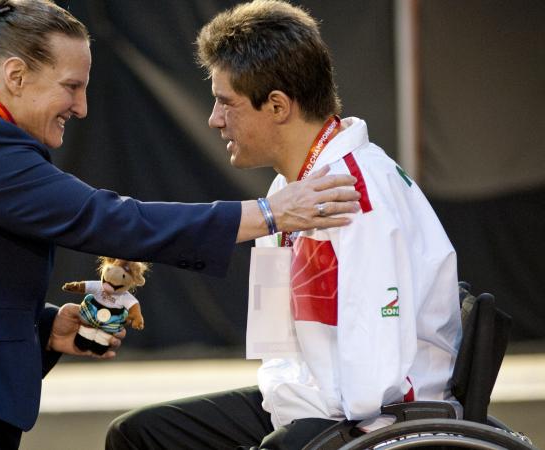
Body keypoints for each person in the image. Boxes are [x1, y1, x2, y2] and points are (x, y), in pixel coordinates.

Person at [0, 0, 360, 448]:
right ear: (16, 75)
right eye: (71, 86)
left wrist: (45, 329)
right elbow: (106, 219)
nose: (82, 106)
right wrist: (268, 214)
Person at [105, 1, 462, 449]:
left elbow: (375, 387)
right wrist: (285, 402)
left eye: (224, 103)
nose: (214, 119)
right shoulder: (287, 191)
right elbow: (274, 337)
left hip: (375, 424)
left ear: (277, 106)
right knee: (139, 435)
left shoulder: (354, 196)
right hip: (306, 403)